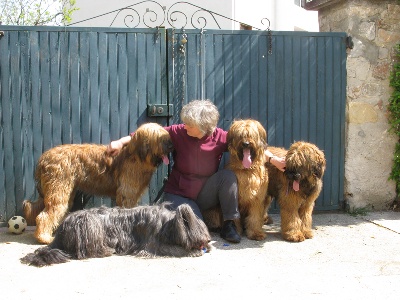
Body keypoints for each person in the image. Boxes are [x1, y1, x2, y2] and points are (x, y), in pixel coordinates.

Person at [107, 99, 286, 243]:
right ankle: (197, 223)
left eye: (190, 124)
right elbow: (146, 134)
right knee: (196, 229)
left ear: (204, 127)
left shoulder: (220, 137)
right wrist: (121, 142)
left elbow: (254, 147)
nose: (185, 126)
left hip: (206, 192)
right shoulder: (178, 132)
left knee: (228, 176)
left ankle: (230, 224)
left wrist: (274, 160)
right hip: (180, 192)